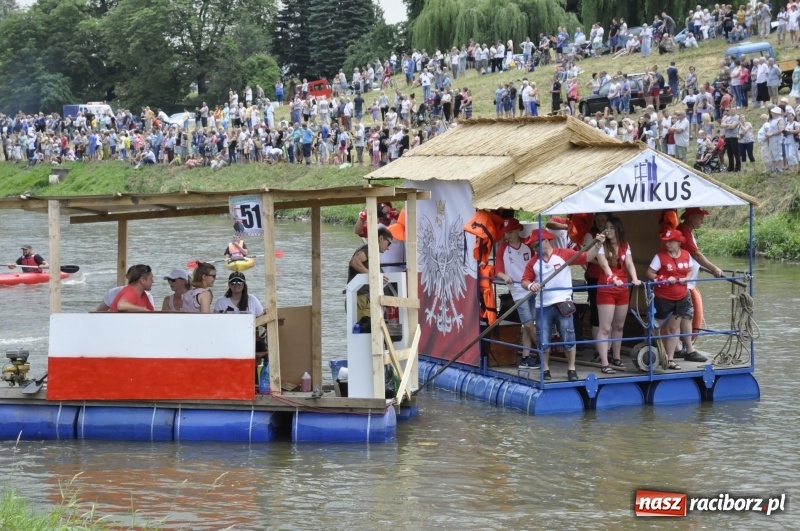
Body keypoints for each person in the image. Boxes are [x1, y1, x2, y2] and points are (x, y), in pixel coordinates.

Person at [521, 228, 606, 382]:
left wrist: (598, 245)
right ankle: (545, 369)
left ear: (546, 241)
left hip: (563, 302)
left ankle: (571, 368)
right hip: (543, 305)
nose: (534, 249)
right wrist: (530, 286)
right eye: (533, 246)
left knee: (568, 335)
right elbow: (524, 280)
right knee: (543, 338)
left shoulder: (564, 254)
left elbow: (587, 257)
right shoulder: (533, 262)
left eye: (536, 245)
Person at [674, 207, 723, 363]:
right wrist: (713, 268)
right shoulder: (684, 230)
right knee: (686, 316)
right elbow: (695, 253)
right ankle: (689, 350)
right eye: (700, 217)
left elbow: (690, 256)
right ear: (691, 217)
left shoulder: (686, 230)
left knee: (680, 316)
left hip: (685, 281)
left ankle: (677, 348)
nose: (703, 220)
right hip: (683, 283)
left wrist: (698, 266)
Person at [593, 217, 641, 373]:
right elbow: (605, 265)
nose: (608, 231)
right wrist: (613, 278)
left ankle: (616, 357)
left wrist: (634, 278)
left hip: (622, 289)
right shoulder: (601, 245)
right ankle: (605, 362)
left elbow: (629, 263)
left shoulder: (625, 245)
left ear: (618, 229)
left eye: (612, 228)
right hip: (607, 288)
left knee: (619, 326)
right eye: (606, 228)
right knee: (605, 327)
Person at [646, 230, 696, 371]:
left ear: (679, 242)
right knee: (655, 326)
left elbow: (690, 270)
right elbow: (649, 273)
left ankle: (670, 359)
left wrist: (686, 278)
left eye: (670, 241)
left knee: (674, 328)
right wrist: (664, 279)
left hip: (681, 297)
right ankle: (650, 352)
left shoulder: (686, 255)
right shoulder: (660, 257)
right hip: (663, 297)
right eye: (666, 241)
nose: (667, 244)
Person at [495, 218, 539, 368]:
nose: (508, 235)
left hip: (532, 286)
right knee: (528, 324)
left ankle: (526, 357)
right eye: (506, 232)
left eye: (511, 232)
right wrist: (504, 276)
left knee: (531, 323)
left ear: (518, 231)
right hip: (518, 290)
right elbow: (498, 270)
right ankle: (542, 350)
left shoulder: (528, 246)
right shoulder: (502, 249)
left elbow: (536, 264)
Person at [215, 272, 268, 360]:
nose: (236, 285)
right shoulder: (221, 302)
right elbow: (215, 321)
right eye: (233, 282)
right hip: (228, 338)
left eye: (239, 282)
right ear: (229, 285)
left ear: (244, 285)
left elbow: (262, 317)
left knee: (262, 348)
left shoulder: (252, 299)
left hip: (249, 338)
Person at [348, 227, 393, 321]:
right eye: (389, 243)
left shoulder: (371, 251)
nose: (388, 248)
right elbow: (354, 261)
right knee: (363, 330)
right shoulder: (369, 249)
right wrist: (373, 275)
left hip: (365, 298)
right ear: (381, 238)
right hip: (361, 299)